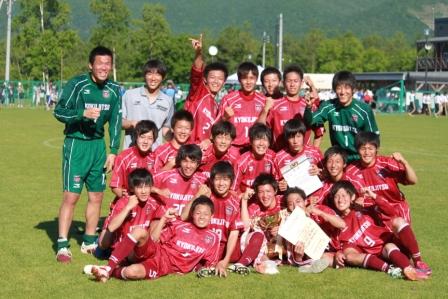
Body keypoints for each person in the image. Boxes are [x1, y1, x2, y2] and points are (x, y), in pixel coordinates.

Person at [53, 46, 122, 263]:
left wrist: (113, 152)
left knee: (97, 196)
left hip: (98, 148)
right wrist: (81, 114)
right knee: (71, 196)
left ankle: (89, 240)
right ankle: (62, 245)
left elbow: (116, 122)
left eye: (107, 63)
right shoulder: (77, 84)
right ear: (90, 65)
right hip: (77, 145)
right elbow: (59, 111)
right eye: (99, 63)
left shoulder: (113, 89)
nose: (104, 67)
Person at [86, 196, 220, 282]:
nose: (202, 217)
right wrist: (163, 219)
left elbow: (209, 264)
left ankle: (109, 271)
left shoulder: (213, 238)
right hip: (157, 251)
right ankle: (108, 269)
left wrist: (212, 267)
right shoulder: (179, 225)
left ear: (211, 216)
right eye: (198, 213)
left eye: (205, 214)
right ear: (192, 214)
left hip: (163, 266)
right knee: (139, 231)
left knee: (133, 272)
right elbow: (155, 239)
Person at [328, 181, 430, 281]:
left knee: (398, 221)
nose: (340, 200)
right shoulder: (339, 227)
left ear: (352, 197)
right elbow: (348, 250)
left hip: (395, 242)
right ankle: (402, 270)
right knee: (352, 255)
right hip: (382, 255)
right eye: (336, 196)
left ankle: (418, 263)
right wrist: (339, 253)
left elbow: (391, 212)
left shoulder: (363, 208)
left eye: (343, 195)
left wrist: (374, 196)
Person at [181, 161, 244, 277]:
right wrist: (197, 196)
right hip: (203, 245)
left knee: (254, 236)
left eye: (225, 179)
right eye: (217, 179)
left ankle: (241, 264)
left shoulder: (234, 202)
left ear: (231, 181)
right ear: (211, 181)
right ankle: (202, 266)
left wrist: (225, 260)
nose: (221, 183)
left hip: (223, 248)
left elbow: (234, 233)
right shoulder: (206, 196)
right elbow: (183, 216)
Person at [303, 70, 379, 163]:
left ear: (353, 89)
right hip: (339, 160)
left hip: (359, 161)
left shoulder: (364, 110)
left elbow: (374, 138)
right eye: (339, 88)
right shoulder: (329, 106)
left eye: (347, 88)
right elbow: (310, 121)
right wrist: (308, 107)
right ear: (335, 90)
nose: (342, 92)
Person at [258, 64, 324, 151]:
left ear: (301, 83)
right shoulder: (274, 105)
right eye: (289, 81)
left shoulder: (308, 105)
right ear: (283, 83)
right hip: (279, 157)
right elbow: (260, 128)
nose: (292, 84)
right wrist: (265, 110)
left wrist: (313, 152)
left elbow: (319, 131)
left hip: (302, 159)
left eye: (296, 81)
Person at [96, 168, 160, 257]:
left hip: (138, 244)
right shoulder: (123, 202)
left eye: (146, 187)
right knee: (103, 244)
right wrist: (128, 207)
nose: (144, 191)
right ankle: (101, 245)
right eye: (139, 187)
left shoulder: (154, 204)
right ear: (132, 189)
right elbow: (111, 227)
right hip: (120, 245)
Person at [280, 187, 344, 272]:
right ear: (288, 207)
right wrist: (299, 256)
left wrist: (321, 213)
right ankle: (313, 265)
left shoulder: (319, 209)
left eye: (298, 202)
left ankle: (314, 265)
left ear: (305, 201)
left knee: (336, 257)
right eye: (291, 204)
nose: (295, 206)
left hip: (335, 248)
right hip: (315, 256)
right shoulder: (289, 224)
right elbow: (294, 260)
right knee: (324, 258)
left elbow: (342, 224)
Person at [184, 34, 228, 146]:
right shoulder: (198, 92)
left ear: (224, 82)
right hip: (190, 149)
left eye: (220, 79)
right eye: (212, 77)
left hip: (206, 155)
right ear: (205, 79)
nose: (216, 81)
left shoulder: (217, 106)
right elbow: (197, 70)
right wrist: (198, 52)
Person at [121, 59, 174, 150]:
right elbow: (119, 122)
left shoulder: (168, 101)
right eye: (149, 74)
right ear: (144, 76)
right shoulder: (129, 95)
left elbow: (166, 128)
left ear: (163, 77)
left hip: (154, 156)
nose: (153, 78)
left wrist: (178, 138)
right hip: (130, 154)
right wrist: (132, 123)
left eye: (157, 74)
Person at [217, 62, 266, 149]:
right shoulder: (228, 99)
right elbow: (217, 126)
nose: (248, 82)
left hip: (255, 149)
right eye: (244, 78)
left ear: (256, 79)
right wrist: (224, 117)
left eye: (251, 78)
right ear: (239, 79)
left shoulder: (263, 101)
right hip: (233, 148)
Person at [109, 120, 158, 201]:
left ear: (154, 140)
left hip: (147, 205)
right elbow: (115, 186)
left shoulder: (155, 158)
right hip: (127, 203)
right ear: (136, 137)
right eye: (142, 137)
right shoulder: (123, 157)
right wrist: (126, 197)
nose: (145, 141)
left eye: (150, 138)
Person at [153, 144, 207, 215]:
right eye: (185, 161)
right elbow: (135, 186)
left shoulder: (203, 180)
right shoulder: (166, 175)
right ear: (179, 162)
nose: (188, 166)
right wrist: (158, 191)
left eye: (192, 162)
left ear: (198, 164)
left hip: (187, 223)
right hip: (166, 222)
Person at [274, 118, 323, 192]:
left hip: (314, 196)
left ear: (304, 136)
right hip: (290, 198)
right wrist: (279, 185)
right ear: (286, 138)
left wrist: (319, 172)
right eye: (291, 137)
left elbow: (327, 175)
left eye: (298, 136)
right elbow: (273, 183)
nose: (295, 141)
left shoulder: (315, 152)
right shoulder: (278, 157)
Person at [232, 123, 277, 193]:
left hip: (267, 198)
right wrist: (242, 196)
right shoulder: (241, 162)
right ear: (250, 141)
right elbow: (233, 190)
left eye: (265, 140)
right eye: (258, 139)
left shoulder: (273, 157)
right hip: (247, 200)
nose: (261, 143)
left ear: (269, 143)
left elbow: (277, 185)